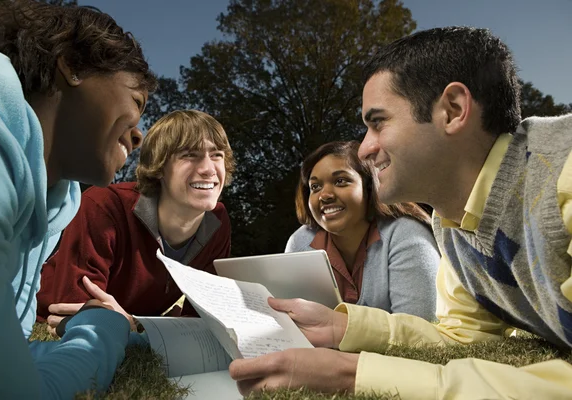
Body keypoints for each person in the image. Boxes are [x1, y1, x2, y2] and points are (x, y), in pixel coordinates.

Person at [229, 26, 572, 398]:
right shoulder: (452, 221)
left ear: (453, 110)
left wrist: (352, 375)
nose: (363, 150)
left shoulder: (563, 172)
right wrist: (342, 327)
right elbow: (461, 337)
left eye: (378, 123)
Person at [0, 1, 157, 398]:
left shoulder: (54, 197)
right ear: (73, 64)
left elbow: (9, 348)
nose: (140, 135)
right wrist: (102, 329)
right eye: (136, 102)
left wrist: (129, 336)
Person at [36, 109, 235, 334]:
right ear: (159, 167)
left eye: (216, 154)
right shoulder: (104, 205)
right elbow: (79, 314)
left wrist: (138, 326)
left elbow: (200, 320)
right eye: (189, 155)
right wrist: (141, 327)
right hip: (40, 311)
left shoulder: (217, 221)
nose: (208, 169)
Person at [286, 141, 438, 320]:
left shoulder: (407, 236)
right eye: (315, 187)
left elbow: (419, 334)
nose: (324, 195)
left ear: (369, 187)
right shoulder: (300, 242)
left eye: (340, 181)